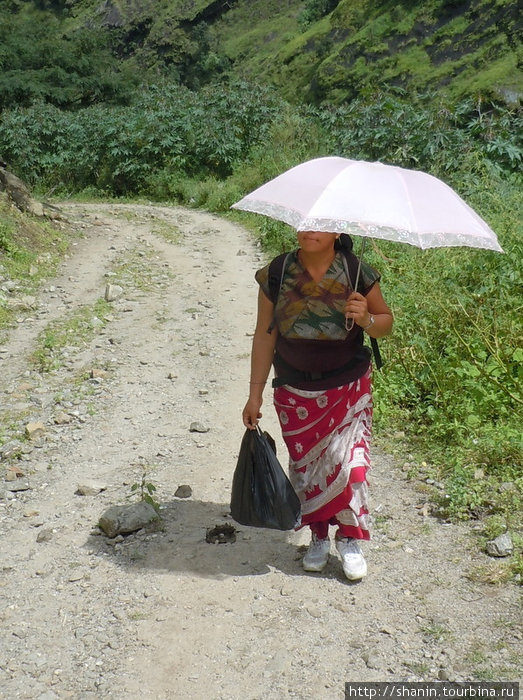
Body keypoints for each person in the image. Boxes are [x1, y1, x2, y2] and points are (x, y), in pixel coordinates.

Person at [242, 231, 393, 581]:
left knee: (351, 466)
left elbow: (386, 322)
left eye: (321, 223)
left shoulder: (358, 272)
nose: (310, 230)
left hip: (349, 388)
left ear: (337, 230)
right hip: (295, 392)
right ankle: (319, 536)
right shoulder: (277, 273)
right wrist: (255, 393)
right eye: (306, 222)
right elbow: (265, 336)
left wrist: (367, 319)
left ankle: (351, 539)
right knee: (309, 471)